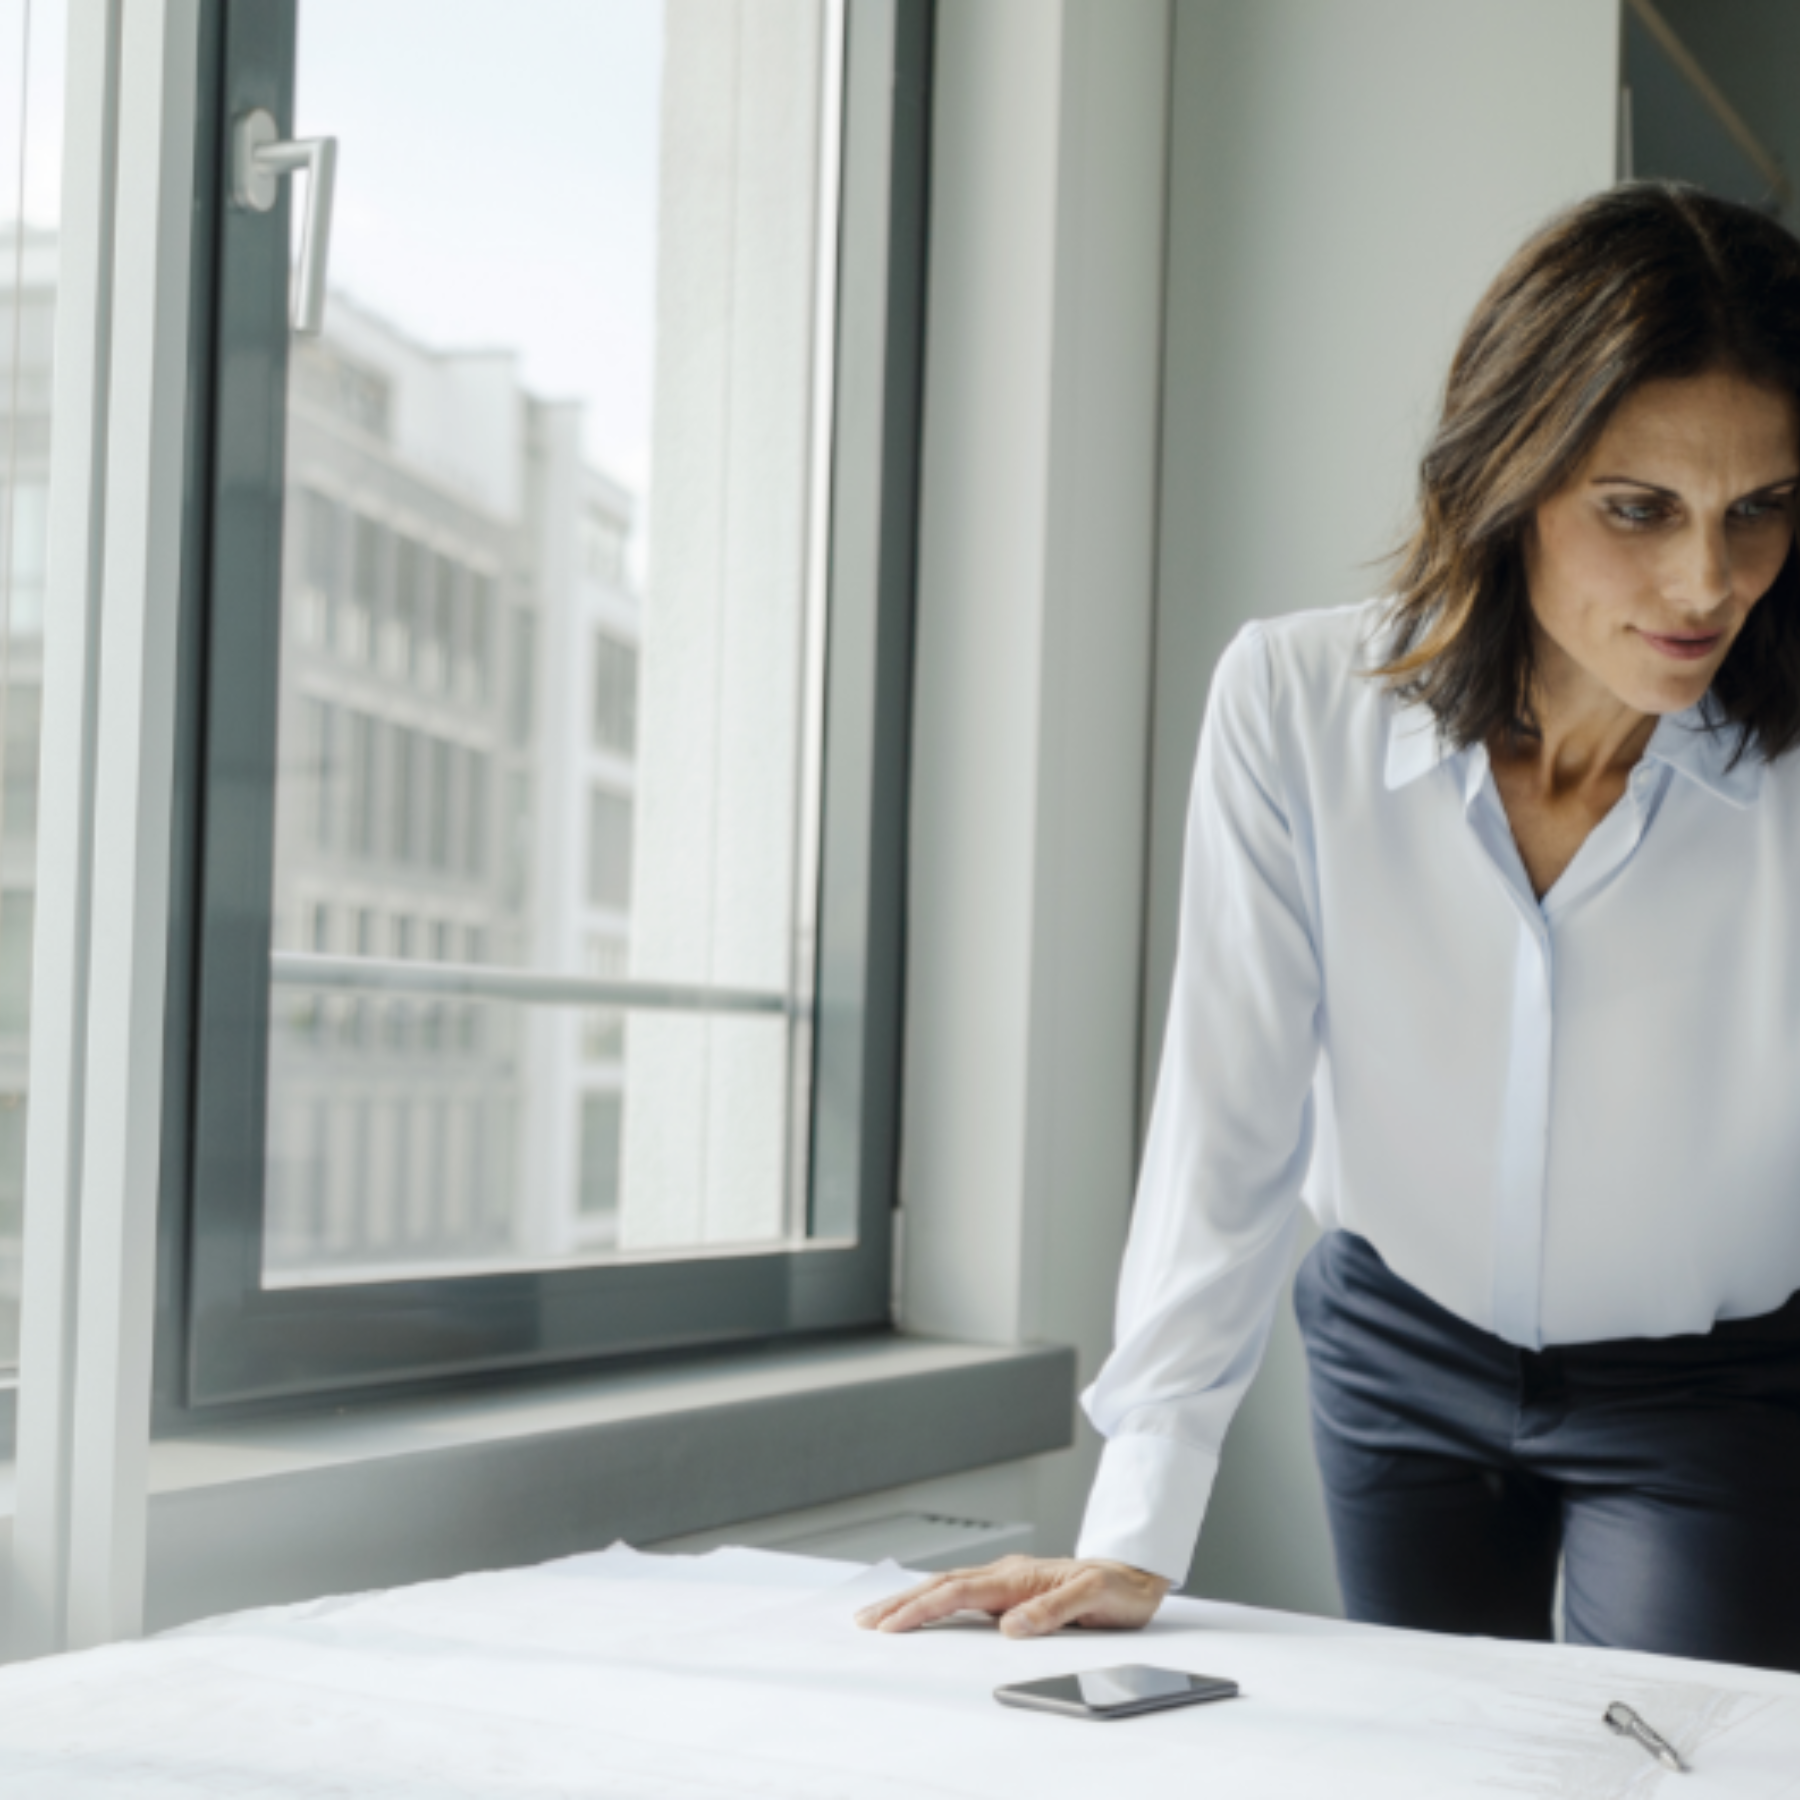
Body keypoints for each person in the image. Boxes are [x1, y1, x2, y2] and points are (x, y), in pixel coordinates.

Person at [855, 181, 1800, 1674]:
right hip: (1398, 1350)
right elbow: (1229, 1123)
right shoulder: (1291, 704)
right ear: (1511, 479)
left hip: (1711, 1388)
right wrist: (1137, 1523)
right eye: (1640, 510)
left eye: (1760, 509)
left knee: (1677, 1767)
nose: (1709, 582)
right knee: (1428, 1759)